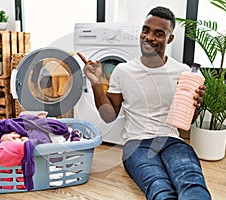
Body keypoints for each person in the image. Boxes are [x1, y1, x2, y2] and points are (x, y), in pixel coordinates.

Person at [77, 6, 211, 200]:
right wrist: (97, 83)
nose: (149, 37)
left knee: (191, 180)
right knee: (159, 187)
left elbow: (187, 122)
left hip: (172, 141)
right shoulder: (123, 71)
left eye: (159, 33)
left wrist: (196, 104)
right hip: (136, 145)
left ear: (169, 38)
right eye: (145, 30)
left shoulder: (182, 71)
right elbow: (109, 115)